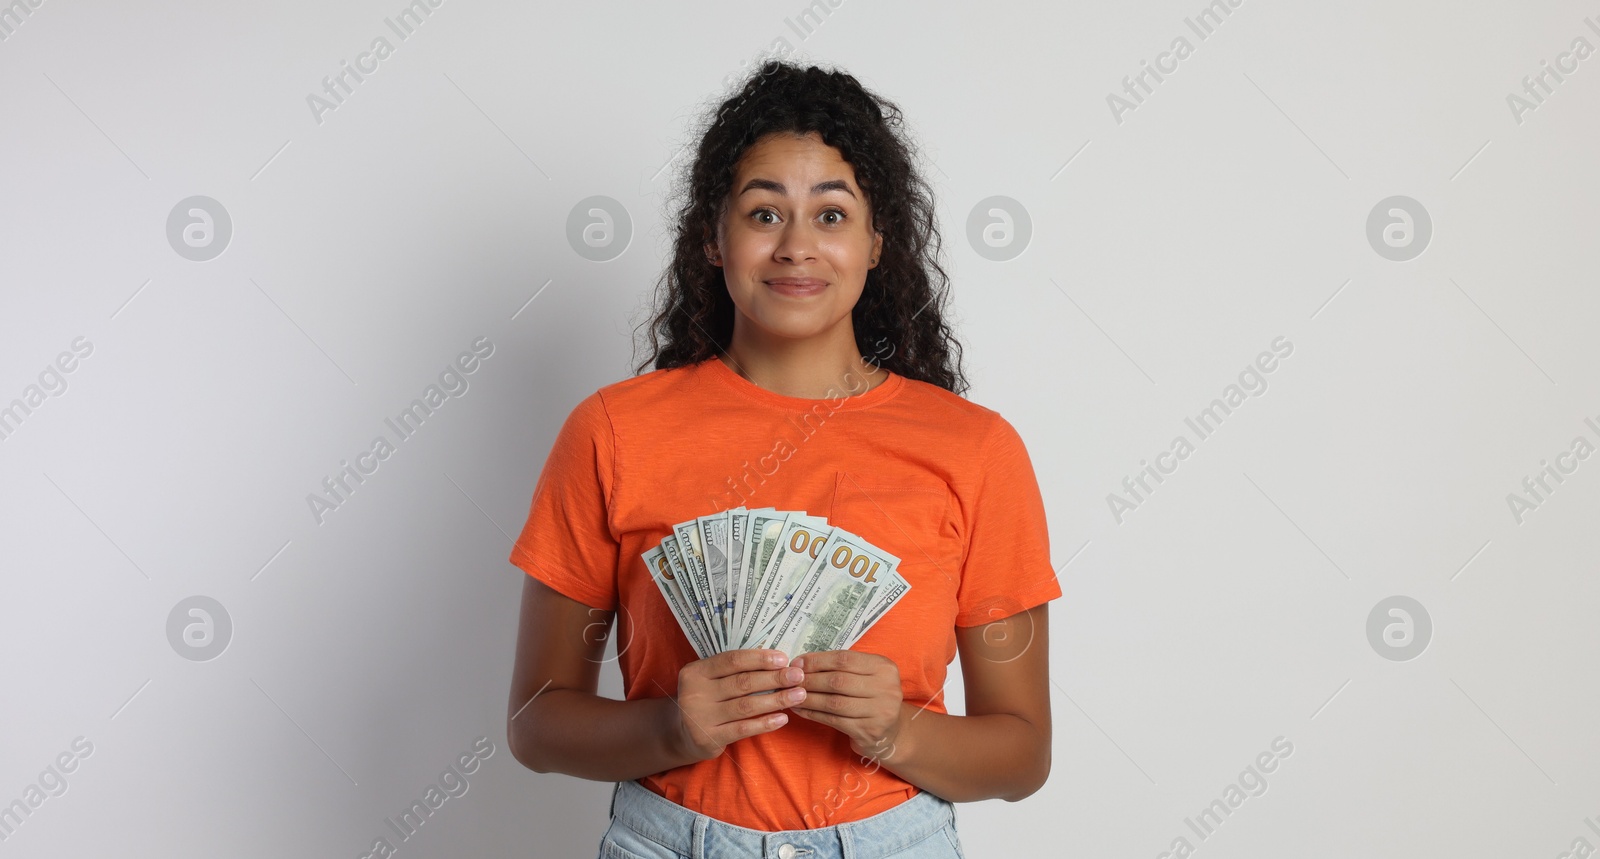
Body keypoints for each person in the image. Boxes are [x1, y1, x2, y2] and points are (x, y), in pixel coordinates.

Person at [506, 59, 1061, 859]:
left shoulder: (976, 449)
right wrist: (670, 726)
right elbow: (536, 723)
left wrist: (896, 730)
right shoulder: (611, 433)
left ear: (877, 242)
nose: (797, 246)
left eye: (831, 216)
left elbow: (1023, 753)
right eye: (764, 213)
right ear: (712, 236)